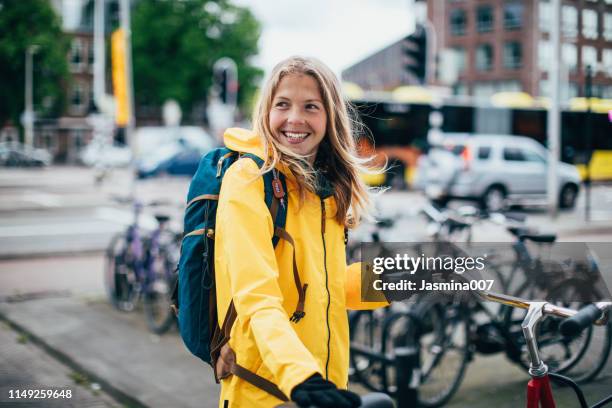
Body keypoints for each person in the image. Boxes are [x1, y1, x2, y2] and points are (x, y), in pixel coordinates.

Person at [213, 56, 388, 408]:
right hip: (270, 392)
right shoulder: (249, 180)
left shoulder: (325, 188)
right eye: (283, 104)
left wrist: (410, 280)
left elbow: (329, 287)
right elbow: (257, 298)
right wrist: (302, 379)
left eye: (311, 106)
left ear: (330, 117)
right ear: (266, 111)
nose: (295, 119)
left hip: (325, 388)